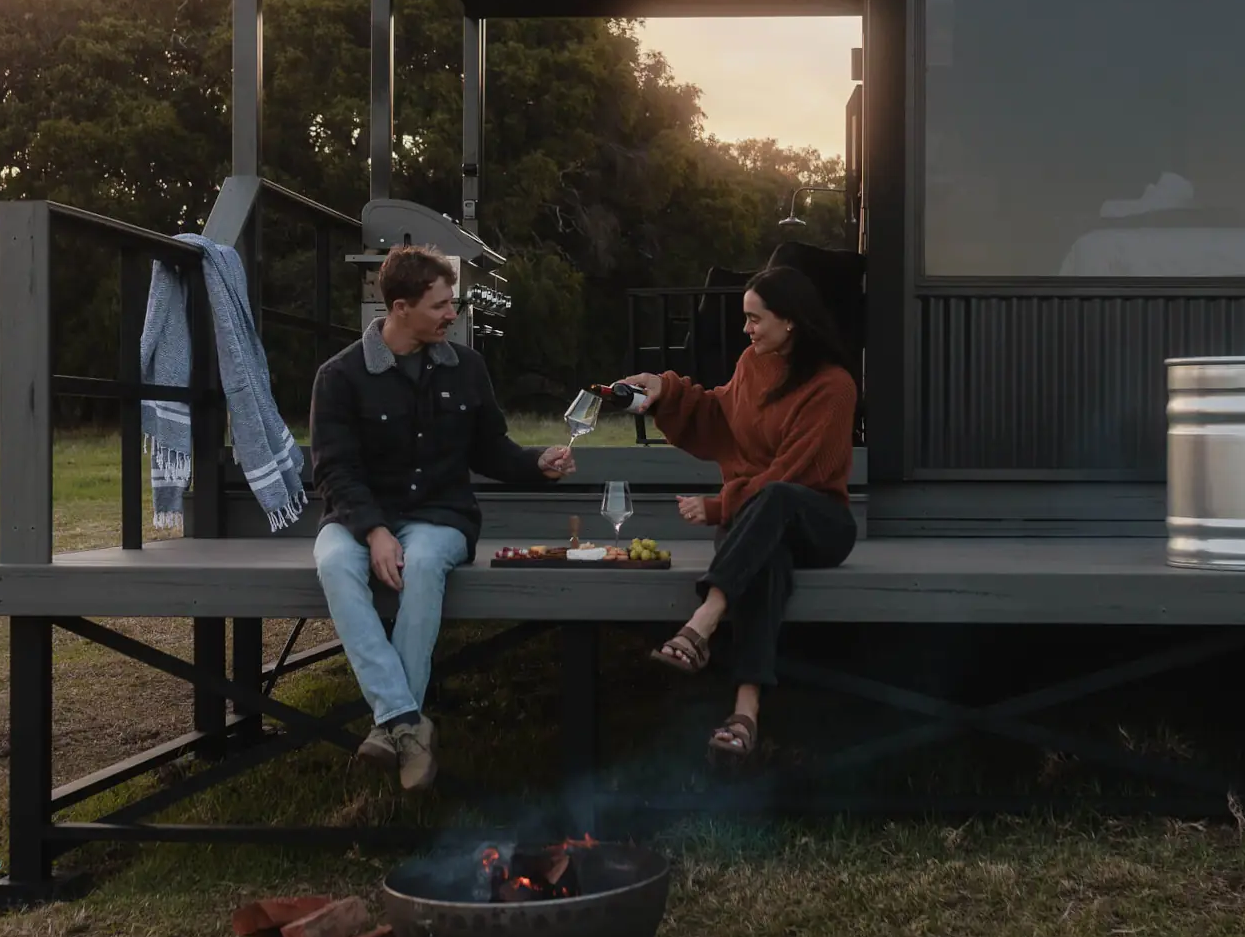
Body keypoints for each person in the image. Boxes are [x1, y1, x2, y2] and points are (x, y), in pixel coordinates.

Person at [310, 245, 575, 790]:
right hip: (359, 517)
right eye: (440, 305)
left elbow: (490, 449)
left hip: (440, 516)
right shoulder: (340, 376)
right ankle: (408, 722)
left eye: (452, 302)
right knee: (334, 563)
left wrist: (536, 464)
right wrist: (375, 531)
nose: (452, 314)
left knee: (425, 563)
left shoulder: (467, 368)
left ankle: (392, 725)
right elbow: (335, 469)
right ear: (400, 307)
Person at [620, 264, 859, 760]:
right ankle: (744, 714)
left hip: (818, 521)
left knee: (775, 501)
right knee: (764, 559)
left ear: (790, 320)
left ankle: (704, 619)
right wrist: (664, 390)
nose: (746, 329)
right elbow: (718, 414)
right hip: (757, 523)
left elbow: (796, 473)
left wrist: (719, 506)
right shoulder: (753, 363)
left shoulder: (834, 386)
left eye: (755, 318)